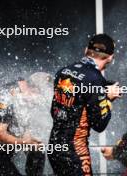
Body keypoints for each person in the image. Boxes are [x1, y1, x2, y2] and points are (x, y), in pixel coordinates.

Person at [48, 34, 121, 175]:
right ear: (110, 57)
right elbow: (99, 125)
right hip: (74, 150)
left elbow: (55, 112)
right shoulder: (95, 79)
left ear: (86, 49)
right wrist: (108, 99)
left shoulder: (63, 71)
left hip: (54, 146)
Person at [0, 77, 41, 176]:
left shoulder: (23, 95)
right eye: (36, 95)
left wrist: (32, 142)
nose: (35, 101)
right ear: (28, 87)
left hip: (3, 152)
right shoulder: (6, 97)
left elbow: (24, 126)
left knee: (38, 150)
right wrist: (25, 142)